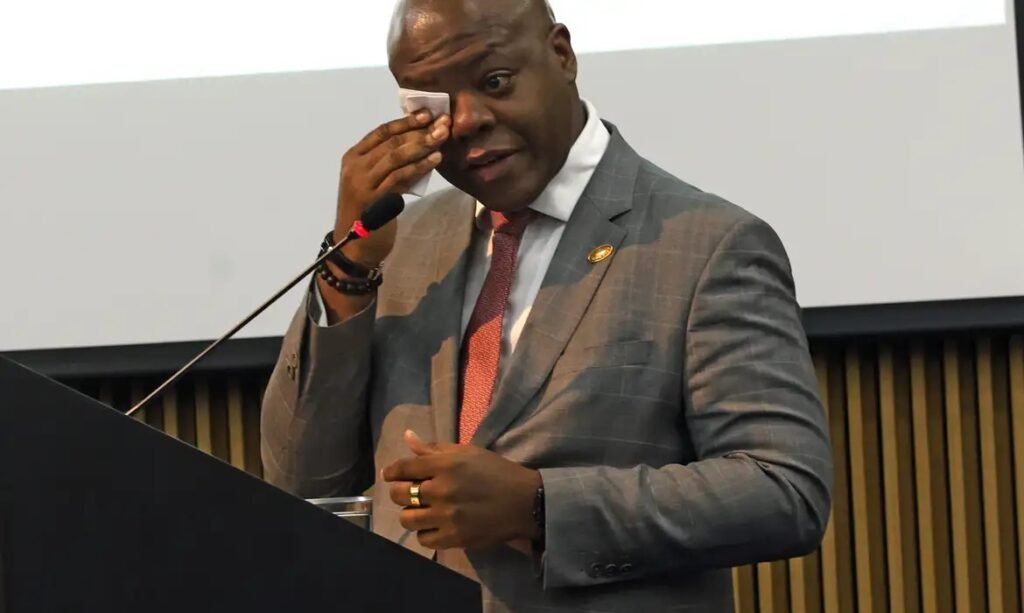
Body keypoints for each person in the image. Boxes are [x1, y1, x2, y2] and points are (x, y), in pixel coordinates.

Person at [260, 0, 833, 610]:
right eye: (435, 105)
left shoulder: (706, 244)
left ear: (561, 54)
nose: (466, 121)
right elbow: (302, 480)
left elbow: (783, 490)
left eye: (494, 82)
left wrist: (539, 507)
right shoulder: (398, 245)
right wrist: (349, 265)